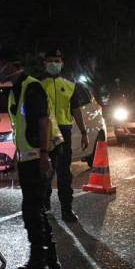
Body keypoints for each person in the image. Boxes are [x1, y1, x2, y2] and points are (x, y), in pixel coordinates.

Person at [0, 48, 63, 269]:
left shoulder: (31, 87)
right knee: (37, 209)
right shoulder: (17, 90)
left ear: (13, 65)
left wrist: (43, 154)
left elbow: (42, 121)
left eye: (0, 65)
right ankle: (49, 258)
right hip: (29, 157)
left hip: (37, 157)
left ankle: (38, 262)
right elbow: (21, 127)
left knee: (32, 210)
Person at [39, 49, 90, 222]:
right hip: (45, 131)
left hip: (64, 132)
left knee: (64, 173)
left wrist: (84, 132)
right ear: (44, 63)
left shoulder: (69, 84)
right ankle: (44, 205)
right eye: (50, 60)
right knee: (45, 171)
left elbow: (75, 109)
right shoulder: (37, 84)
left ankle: (66, 210)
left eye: (56, 60)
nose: (53, 63)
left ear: (62, 63)